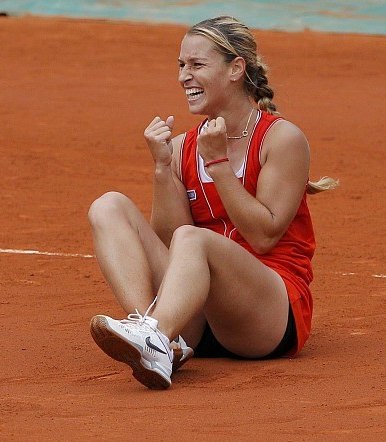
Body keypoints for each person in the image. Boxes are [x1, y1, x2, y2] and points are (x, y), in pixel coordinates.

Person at [88, 16, 337, 390]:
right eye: (181, 65)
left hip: (267, 315)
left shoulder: (281, 139)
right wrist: (161, 168)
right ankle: (157, 337)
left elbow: (264, 237)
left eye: (197, 65)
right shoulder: (180, 148)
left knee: (195, 238)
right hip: (198, 319)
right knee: (107, 206)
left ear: (236, 68)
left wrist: (218, 163)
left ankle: (154, 337)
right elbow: (171, 244)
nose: (184, 76)